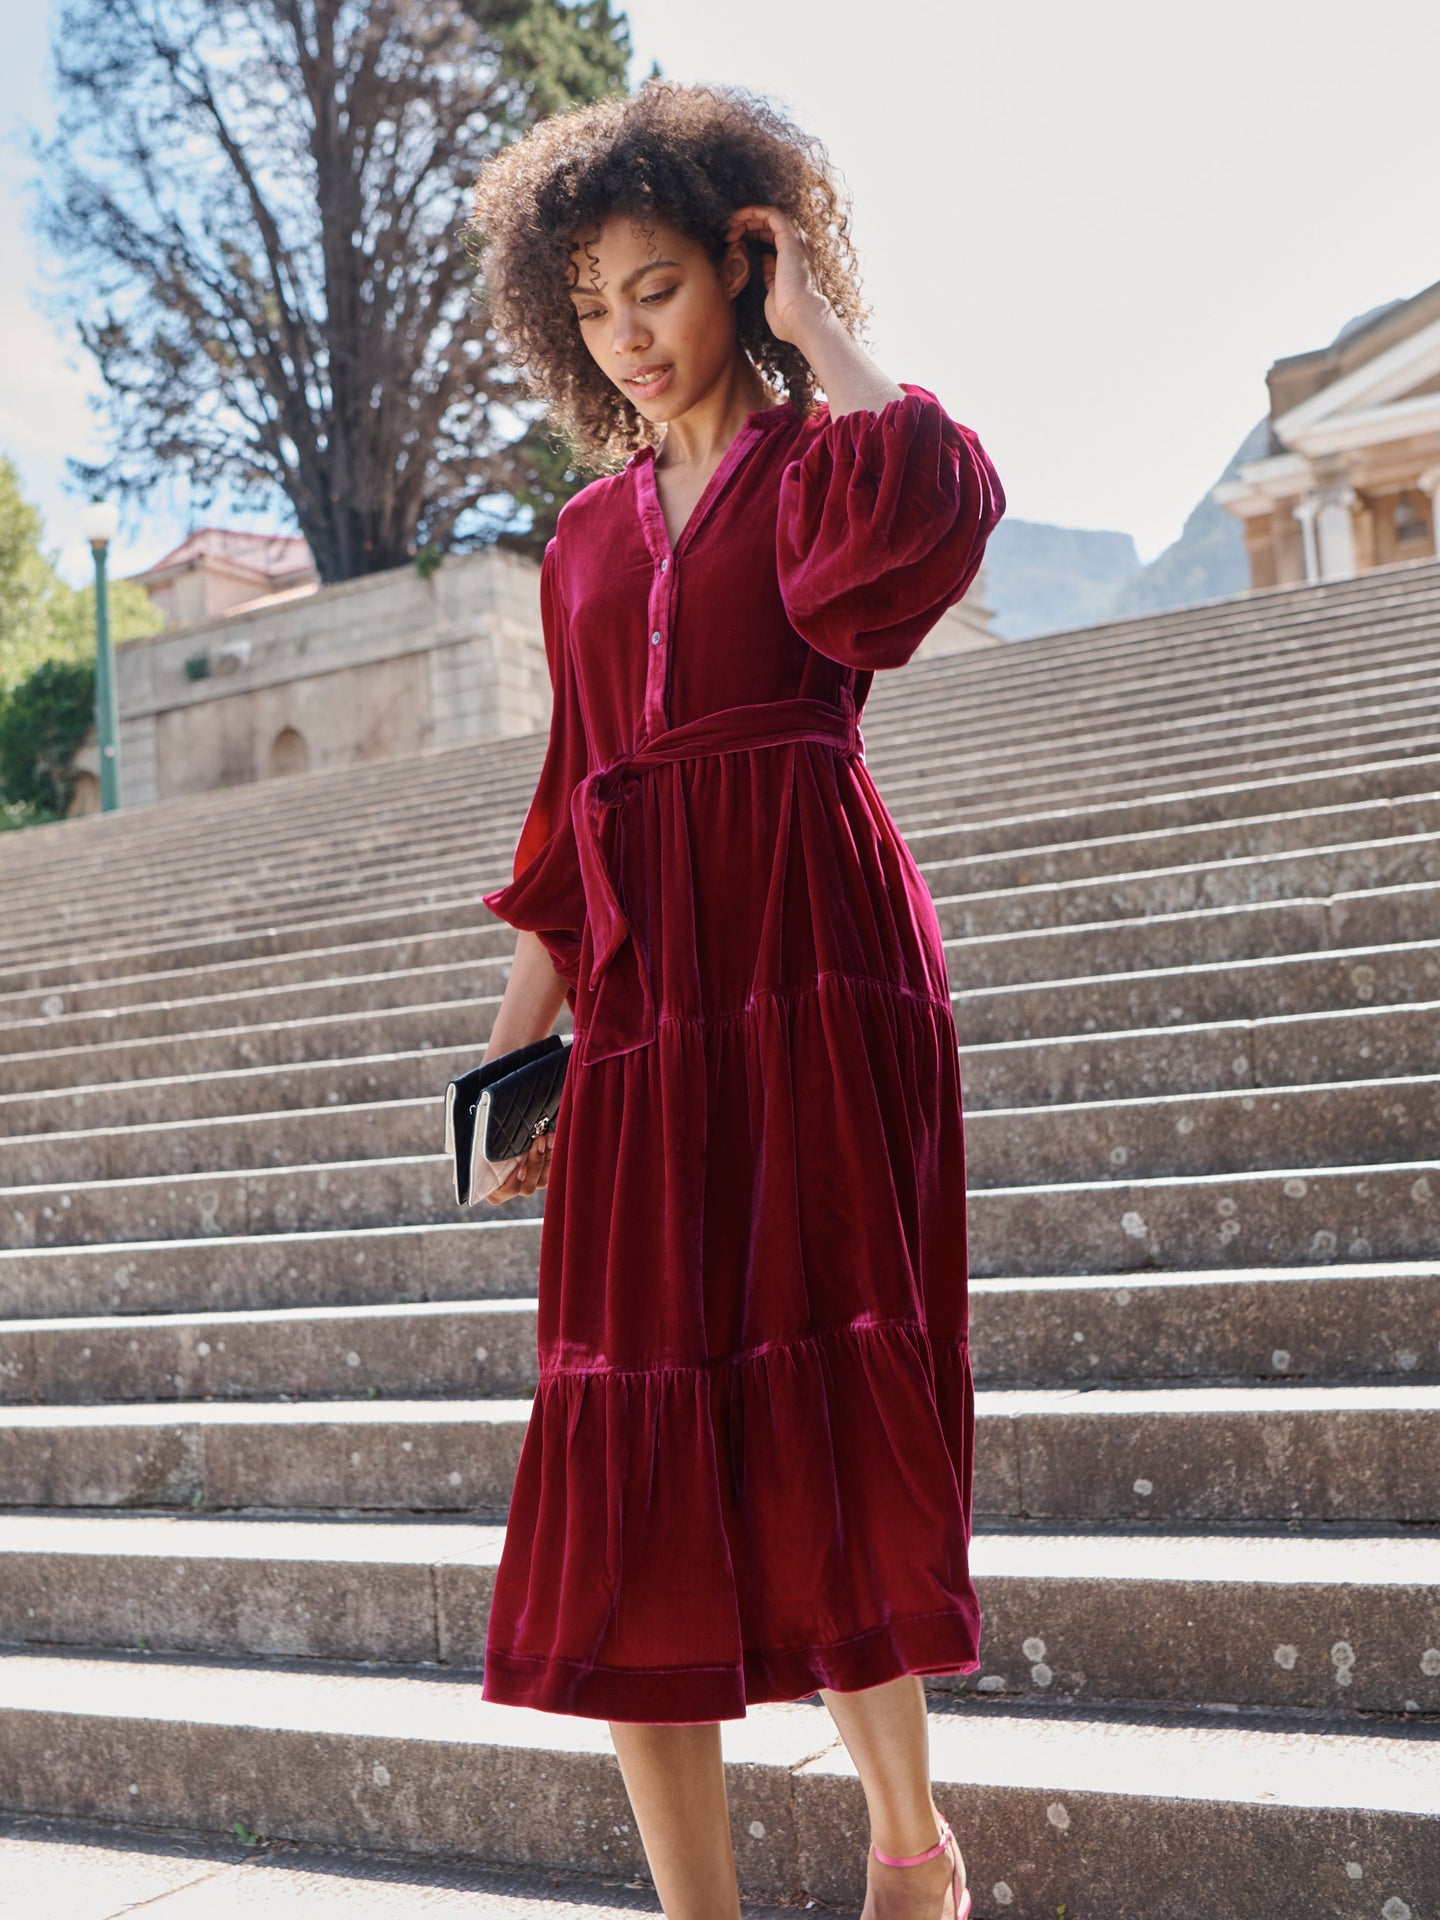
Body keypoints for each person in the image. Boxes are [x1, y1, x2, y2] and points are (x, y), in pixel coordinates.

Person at [466, 77, 1003, 1920]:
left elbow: (935, 509)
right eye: (595, 301)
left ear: (740, 264)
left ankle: (908, 1855)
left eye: (665, 287)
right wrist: (515, 1055)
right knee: (626, 1424)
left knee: (827, 1393)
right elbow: (563, 810)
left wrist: (810, 322)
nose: (629, 333)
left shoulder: (816, 463)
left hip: (812, 953)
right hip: (643, 996)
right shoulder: (582, 539)